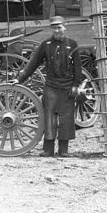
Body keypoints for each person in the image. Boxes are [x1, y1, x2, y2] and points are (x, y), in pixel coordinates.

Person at [15, 16, 82, 158]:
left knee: (66, 119)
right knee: (49, 118)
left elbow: (78, 68)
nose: (57, 30)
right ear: (51, 29)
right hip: (51, 87)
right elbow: (33, 64)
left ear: (65, 27)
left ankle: (63, 150)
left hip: (67, 87)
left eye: (59, 27)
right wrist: (20, 79)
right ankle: (48, 150)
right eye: (54, 27)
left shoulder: (73, 44)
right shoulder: (46, 45)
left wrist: (76, 85)